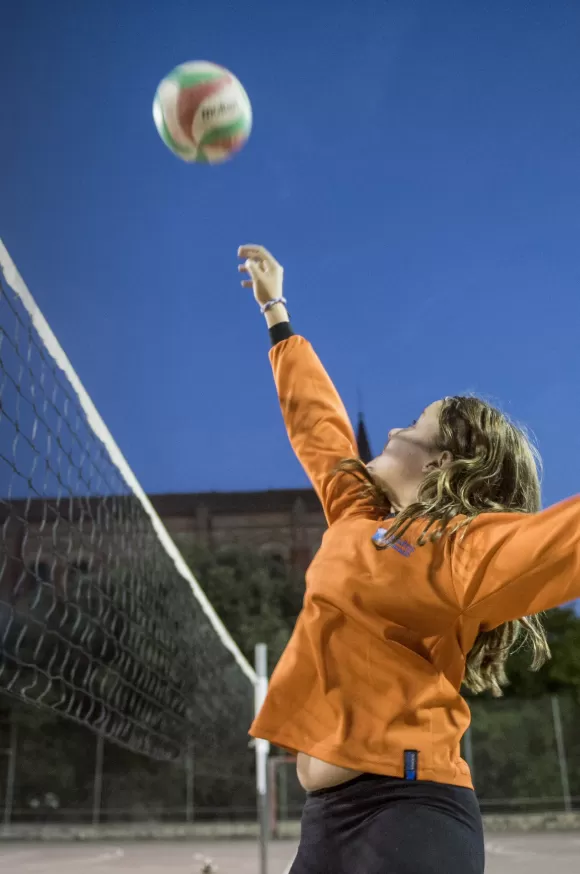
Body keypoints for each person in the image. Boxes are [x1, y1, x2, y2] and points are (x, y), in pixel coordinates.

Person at [238, 244, 580, 874]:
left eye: (415, 423)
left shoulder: (462, 549)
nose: (394, 431)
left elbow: (565, 541)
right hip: (327, 819)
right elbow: (320, 430)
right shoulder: (358, 520)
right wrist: (276, 312)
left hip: (410, 810)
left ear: (442, 463)